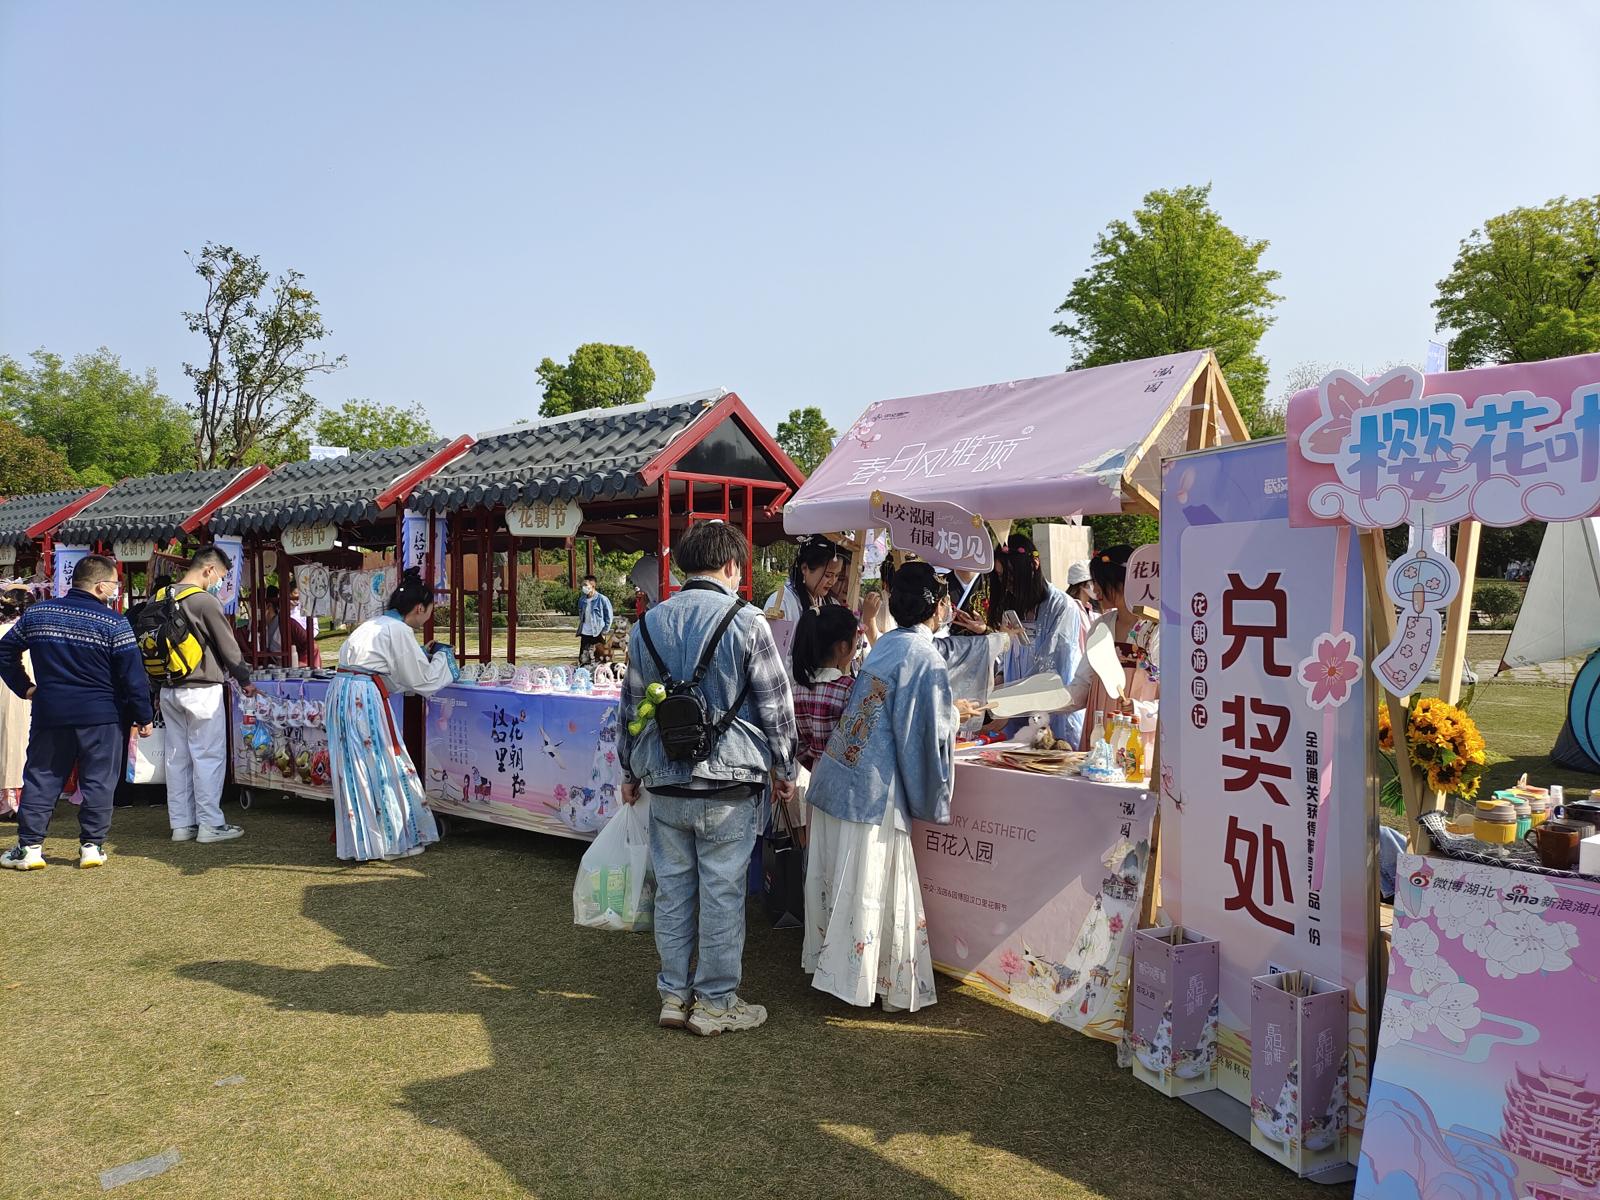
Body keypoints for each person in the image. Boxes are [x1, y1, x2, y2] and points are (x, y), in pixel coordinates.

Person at [617, 520, 797, 1037]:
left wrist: (628, 770)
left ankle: (674, 995)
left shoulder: (646, 625)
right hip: (730, 781)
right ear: (734, 566)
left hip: (665, 778)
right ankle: (716, 1002)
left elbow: (629, 708)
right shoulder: (749, 622)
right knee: (721, 892)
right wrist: (785, 768)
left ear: (680, 567)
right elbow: (775, 706)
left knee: (673, 892)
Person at [802, 562, 960, 1012]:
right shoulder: (923, 657)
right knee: (874, 885)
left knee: (856, 883)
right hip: (873, 786)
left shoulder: (888, 643)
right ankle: (874, 981)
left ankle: (845, 970)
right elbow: (923, 734)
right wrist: (955, 725)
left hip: (841, 773)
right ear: (937, 606)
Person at [0, 555, 153, 870]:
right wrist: (143, 715)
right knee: (99, 780)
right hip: (102, 715)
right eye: (114, 583)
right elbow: (133, 676)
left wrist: (25, 687)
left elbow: (5, 650)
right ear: (101, 586)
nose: (116, 589)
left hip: (50, 712)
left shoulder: (38, 614)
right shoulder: (114, 622)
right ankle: (92, 846)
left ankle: (29, 847)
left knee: (42, 777)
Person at [329, 570, 459, 862]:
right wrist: (442, 658)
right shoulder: (399, 630)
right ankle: (392, 840)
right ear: (419, 608)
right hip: (363, 696)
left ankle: (366, 841)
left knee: (357, 768)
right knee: (384, 764)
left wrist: (420, 656)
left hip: (344, 691)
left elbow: (393, 671)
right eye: (429, 613)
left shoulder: (375, 623)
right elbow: (421, 681)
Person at [160, 547, 257, 844]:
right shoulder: (203, 601)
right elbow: (229, 648)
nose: (219, 583)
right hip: (202, 689)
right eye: (221, 577)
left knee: (177, 759)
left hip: (167, 687)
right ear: (209, 570)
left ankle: (181, 824)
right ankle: (210, 824)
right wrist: (245, 679)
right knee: (207, 756)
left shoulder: (161, 596)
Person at [1057, 546, 1161, 754]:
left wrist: (1139, 709)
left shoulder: (1155, 629)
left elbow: (1175, 697)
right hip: (1100, 728)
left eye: (1099, 583)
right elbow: (1084, 684)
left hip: (1137, 734)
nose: (1095, 592)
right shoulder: (1101, 626)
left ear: (1122, 582)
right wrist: (1048, 700)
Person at [989, 534, 1088, 747]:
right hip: (1013, 713)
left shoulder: (1062, 607)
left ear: (1034, 565)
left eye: (1012, 576)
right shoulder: (1012, 604)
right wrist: (998, 678)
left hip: (1052, 714)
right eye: (1000, 577)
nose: (1007, 584)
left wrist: (1011, 701)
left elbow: (1051, 666)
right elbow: (1008, 656)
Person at [791, 605, 861, 770]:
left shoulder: (797, 690)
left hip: (816, 774)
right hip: (844, 779)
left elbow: (798, 745)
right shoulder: (848, 688)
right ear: (843, 647)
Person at [0, 583, 35, 819]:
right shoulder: (33, 634)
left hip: (8, 690)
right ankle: (27, 800)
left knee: (4, 742)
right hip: (30, 692)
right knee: (26, 743)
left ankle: (5, 800)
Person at [764, 535, 841, 622]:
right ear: (804, 568)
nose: (833, 582)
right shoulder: (781, 603)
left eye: (837, 575)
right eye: (827, 575)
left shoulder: (832, 603)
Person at [577, 575, 613, 665]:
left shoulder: (602, 599)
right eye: (583, 585)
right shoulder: (582, 600)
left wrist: (605, 631)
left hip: (597, 632)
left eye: (585, 585)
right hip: (585, 633)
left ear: (592, 585)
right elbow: (581, 614)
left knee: (602, 657)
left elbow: (609, 616)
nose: (583, 587)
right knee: (583, 658)